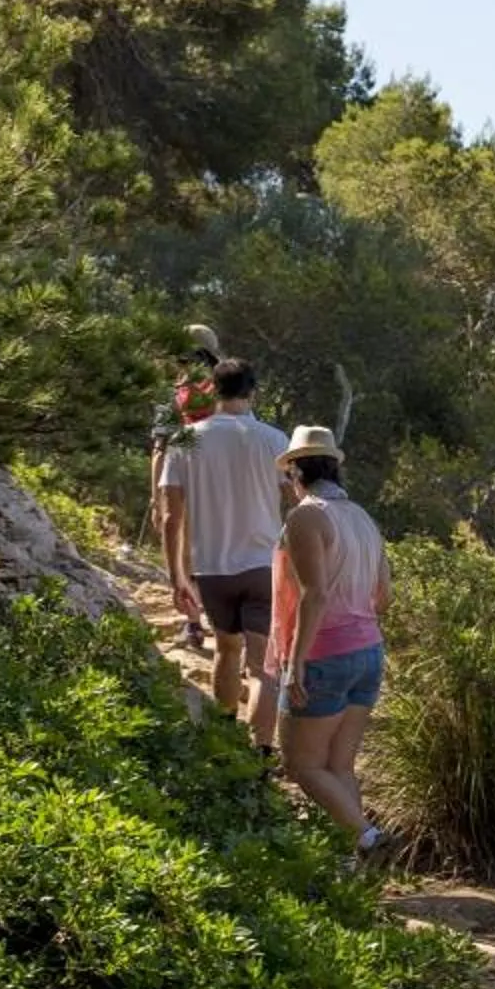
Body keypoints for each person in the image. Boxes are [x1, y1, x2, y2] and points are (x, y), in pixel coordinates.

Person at [268, 426, 391, 853]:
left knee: (301, 764)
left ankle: (369, 837)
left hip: (323, 652)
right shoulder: (363, 518)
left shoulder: (306, 517)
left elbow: (314, 594)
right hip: (369, 650)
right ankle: (353, 862)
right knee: (339, 764)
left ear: (296, 472)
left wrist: (296, 662)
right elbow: (384, 596)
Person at [160, 358, 289, 756]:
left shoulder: (185, 441)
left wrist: (176, 576)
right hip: (263, 564)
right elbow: (298, 503)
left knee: (225, 651)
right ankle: (262, 753)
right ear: (253, 391)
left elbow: (170, 518)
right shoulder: (274, 440)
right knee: (262, 665)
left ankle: (225, 741)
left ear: (213, 390)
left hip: (211, 566)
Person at [154, 326, 224, 651]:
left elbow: (160, 446)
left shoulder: (173, 393)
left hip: (183, 472)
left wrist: (158, 497)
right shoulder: (227, 388)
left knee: (185, 551)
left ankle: (194, 625)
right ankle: (223, 626)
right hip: (223, 477)